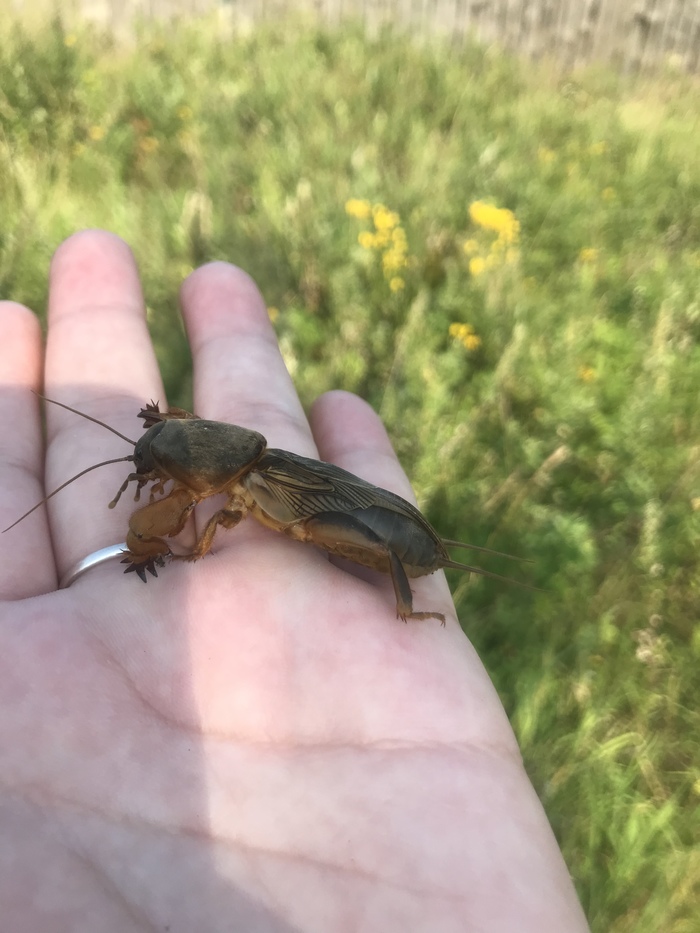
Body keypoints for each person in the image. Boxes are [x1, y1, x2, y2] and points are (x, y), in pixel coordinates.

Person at [0, 230, 589, 931]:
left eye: (164, 467)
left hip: (366, 528)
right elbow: (197, 478)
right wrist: (166, 455)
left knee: (376, 536)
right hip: (303, 484)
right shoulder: (231, 464)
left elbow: (208, 515)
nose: (159, 477)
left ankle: (407, 610)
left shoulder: (227, 489)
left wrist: (182, 544)